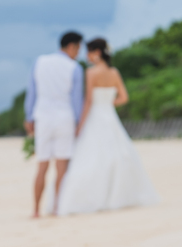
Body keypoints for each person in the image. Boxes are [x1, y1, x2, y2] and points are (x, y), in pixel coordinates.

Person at [56, 38, 159, 216]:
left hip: (95, 116)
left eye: (88, 52)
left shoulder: (91, 73)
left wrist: (80, 124)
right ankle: (118, 196)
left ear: (96, 53)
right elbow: (124, 97)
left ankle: (90, 198)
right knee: (118, 154)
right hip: (109, 116)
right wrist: (108, 103)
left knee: (91, 156)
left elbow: (88, 101)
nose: (86, 55)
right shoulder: (114, 72)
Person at [24, 31, 85, 217]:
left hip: (42, 116)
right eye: (78, 48)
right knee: (61, 167)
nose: (78, 53)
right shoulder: (74, 67)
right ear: (72, 46)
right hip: (64, 117)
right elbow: (76, 100)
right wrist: (78, 122)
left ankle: (36, 210)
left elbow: (32, 92)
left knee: (42, 165)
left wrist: (29, 117)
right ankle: (57, 207)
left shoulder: (40, 61)